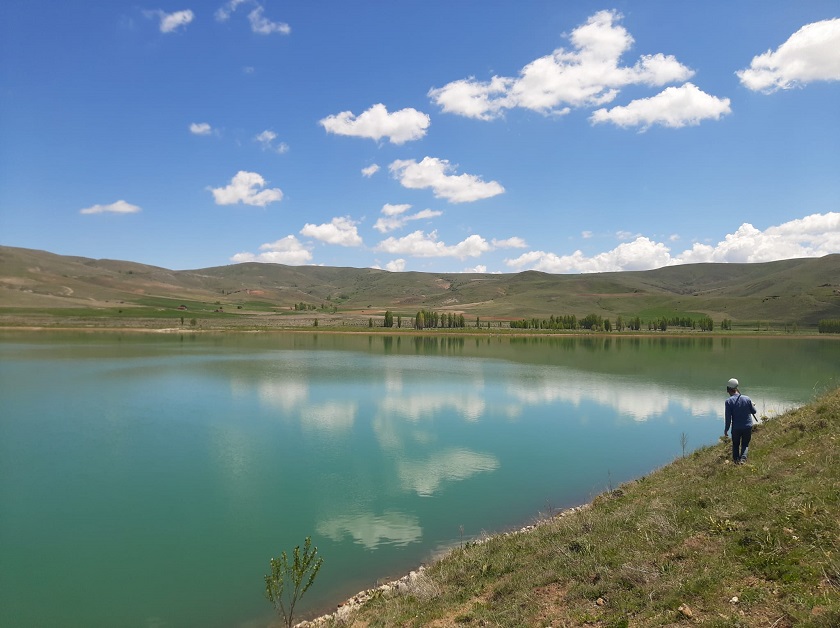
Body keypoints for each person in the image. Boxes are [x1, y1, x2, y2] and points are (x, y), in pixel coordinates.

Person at [724, 378, 757, 464]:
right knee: (745, 444)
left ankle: (736, 461)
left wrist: (726, 429)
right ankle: (743, 460)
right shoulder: (747, 398)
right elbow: (754, 411)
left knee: (735, 445)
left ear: (728, 390)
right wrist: (751, 405)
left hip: (736, 428)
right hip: (748, 426)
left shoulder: (728, 402)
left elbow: (728, 418)